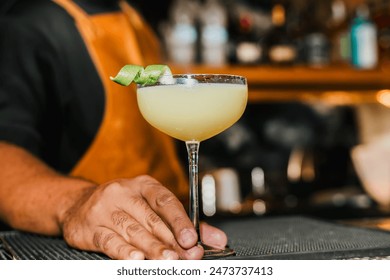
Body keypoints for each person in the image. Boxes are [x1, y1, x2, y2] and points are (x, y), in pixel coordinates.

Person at [0, 0, 227, 260]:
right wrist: (75, 203)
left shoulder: (133, 15)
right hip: (96, 255)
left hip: (171, 239)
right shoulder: (28, 24)